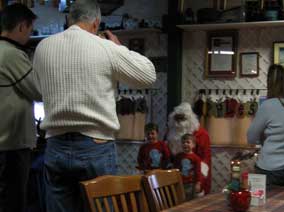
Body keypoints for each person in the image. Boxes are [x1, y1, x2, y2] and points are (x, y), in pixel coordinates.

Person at [32, 0, 156, 211]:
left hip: (55, 145)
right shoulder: (105, 47)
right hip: (95, 146)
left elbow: (38, 90)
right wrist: (119, 47)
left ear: (68, 19)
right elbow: (149, 75)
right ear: (96, 23)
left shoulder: (43, 47)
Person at [0, 3, 42, 212]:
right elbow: (37, 91)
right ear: (22, 26)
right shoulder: (12, 54)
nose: (29, 35)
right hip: (11, 145)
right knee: (14, 203)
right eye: (30, 30)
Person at [247, 63, 284, 187]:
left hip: (270, 168)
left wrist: (264, 137)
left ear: (271, 83)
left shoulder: (268, 105)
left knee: (265, 206)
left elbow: (251, 137)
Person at [166, 102, 211, 194]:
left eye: (182, 118)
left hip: (192, 180)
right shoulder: (170, 133)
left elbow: (204, 161)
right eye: (177, 118)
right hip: (174, 179)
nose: (179, 122)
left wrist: (199, 182)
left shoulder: (201, 134)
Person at [174, 133, 206, 200]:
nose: (185, 144)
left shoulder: (196, 158)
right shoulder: (178, 156)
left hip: (191, 183)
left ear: (193, 145)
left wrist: (198, 183)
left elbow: (198, 172)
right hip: (180, 182)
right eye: (183, 142)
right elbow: (176, 168)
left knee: (189, 199)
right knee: (180, 199)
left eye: (188, 142)